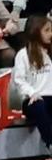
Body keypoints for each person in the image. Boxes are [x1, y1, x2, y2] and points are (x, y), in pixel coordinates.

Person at [17, 15, 52, 151]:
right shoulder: (23, 54)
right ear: (35, 31)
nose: (51, 34)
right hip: (32, 100)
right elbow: (19, 80)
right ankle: (50, 143)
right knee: (39, 105)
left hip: (50, 97)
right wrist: (32, 93)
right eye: (47, 30)